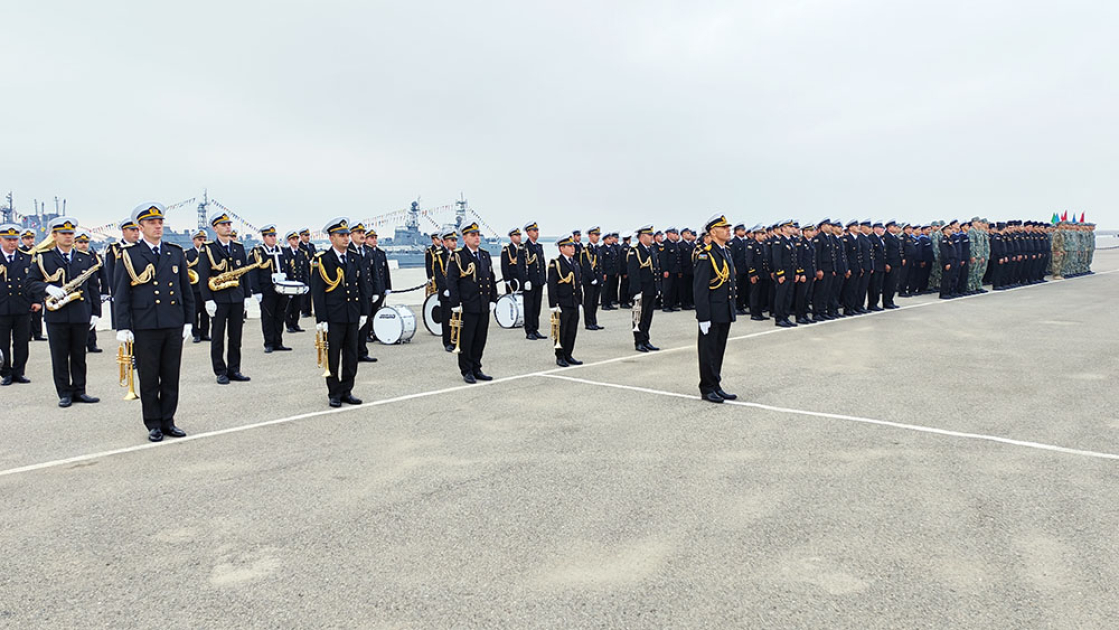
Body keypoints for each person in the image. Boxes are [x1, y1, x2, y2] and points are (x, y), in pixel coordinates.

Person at [112, 203, 194, 442]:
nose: (158, 226)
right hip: (145, 323)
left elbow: (185, 290)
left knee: (171, 375)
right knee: (149, 377)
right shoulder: (129, 254)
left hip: (172, 322)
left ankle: (169, 421)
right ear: (141, 227)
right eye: (152, 223)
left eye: (160, 222)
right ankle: (153, 424)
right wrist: (123, 326)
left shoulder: (175, 252)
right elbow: (122, 293)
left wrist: (188, 320)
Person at [26, 216, 102, 407]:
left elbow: (93, 287)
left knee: (79, 355)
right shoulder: (44, 257)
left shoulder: (84, 258)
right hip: (56, 314)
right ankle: (64, 393)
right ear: (55, 235)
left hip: (80, 313)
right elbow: (30, 283)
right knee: (59, 356)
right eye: (64, 234)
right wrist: (47, 288)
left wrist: (95, 312)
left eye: (71, 233)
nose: (68, 237)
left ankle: (80, 390)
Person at [310, 217, 370, 407]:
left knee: (351, 356)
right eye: (341, 235)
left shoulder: (354, 258)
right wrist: (321, 319)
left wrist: (364, 313)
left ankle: (347, 390)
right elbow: (318, 293)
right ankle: (334, 393)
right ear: (331, 238)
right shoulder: (322, 260)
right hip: (333, 317)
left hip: (352, 315)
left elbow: (363, 287)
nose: (346, 238)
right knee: (333, 357)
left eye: (346, 235)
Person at [196, 211, 252, 385]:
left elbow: (245, 274)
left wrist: (247, 295)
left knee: (236, 337)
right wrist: (208, 299)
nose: (228, 227)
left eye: (229, 224)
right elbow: (203, 275)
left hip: (236, 298)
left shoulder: (239, 248)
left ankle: (234, 369)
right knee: (218, 337)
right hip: (218, 299)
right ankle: (220, 371)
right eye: (223, 224)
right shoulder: (208, 248)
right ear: (215, 228)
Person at [694, 214, 737, 403]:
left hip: (724, 310)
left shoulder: (725, 251)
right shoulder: (706, 254)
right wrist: (703, 317)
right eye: (724, 227)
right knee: (708, 351)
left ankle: (716, 384)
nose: (728, 230)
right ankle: (707, 387)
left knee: (718, 350)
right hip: (711, 312)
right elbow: (700, 288)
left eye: (729, 227)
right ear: (713, 232)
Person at [447, 222, 497, 383]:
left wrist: (493, 299)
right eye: (472, 235)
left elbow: (491, 278)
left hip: (483, 304)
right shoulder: (458, 256)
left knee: (480, 338)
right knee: (466, 339)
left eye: (478, 235)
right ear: (465, 238)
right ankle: (466, 370)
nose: (477, 238)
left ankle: (477, 367)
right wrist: (455, 303)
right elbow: (452, 281)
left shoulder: (484, 255)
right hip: (467, 305)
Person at [250, 224, 296, 353]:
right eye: (270, 236)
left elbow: (289, 270)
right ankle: (269, 343)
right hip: (267, 290)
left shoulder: (283, 251)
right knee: (268, 317)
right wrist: (257, 291)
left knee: (279, 316)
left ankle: (278, 342)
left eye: (274, 235)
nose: (273, 238)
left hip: (282, 289)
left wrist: (291, 287)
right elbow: (253, 273)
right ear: (264, 237)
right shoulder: (258, 252)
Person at [0, 223, 33, 385]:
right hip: (2, 306)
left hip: (22, 305)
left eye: (14, 239)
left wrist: (36, 301)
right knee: (2, 342)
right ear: (1, 240)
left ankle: (19, 371)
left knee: (21, 341)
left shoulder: (26, 258)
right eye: (8, 239)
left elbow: (33, 281)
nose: (12, 243)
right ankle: (5, 372)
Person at [548, 233, 583, 367]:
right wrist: (554, 305)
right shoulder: (556, 263)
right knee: (560, 331)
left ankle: (568, 354)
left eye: (573, 246)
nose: (572, 248)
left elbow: (578, 285)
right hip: (562, 303)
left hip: (573, 302)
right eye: (569, 246)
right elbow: (552, 285)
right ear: (561, 248)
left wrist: (580, 302)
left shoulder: (575, 263)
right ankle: (560, 355)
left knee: (571, 330)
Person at [349, 223, 382, 362]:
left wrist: (376, 291)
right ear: (351, 235)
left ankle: (362, 351)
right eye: (358, 232)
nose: (362, 235)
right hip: (353, 294)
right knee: (353, 326)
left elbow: (373, 272)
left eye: (363, 232)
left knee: (365, 322)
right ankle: (351, 354)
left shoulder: (367, 251)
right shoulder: (348, 251)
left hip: (367, 293)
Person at [627, 225, 661, 352]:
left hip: (651, 289)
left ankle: (646, 339)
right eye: (649, 235)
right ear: (642, 237)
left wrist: (657, 288)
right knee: (638, 317)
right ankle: (638, 341)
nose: (652, 237)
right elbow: (633, 273)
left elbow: (656, 270)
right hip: (640, 290)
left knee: (648, 316)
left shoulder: (651, 249)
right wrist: (636, 292)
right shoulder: (634, 251)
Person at [73, 231, 107, 353]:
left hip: (91, 291)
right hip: (77, 292)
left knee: (92, 318)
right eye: (80, 242)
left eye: (85, 242)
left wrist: (104, 292)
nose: (83, 245)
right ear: (75, 243)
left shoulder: (95, 257)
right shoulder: (73, 257)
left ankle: (92, 344)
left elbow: (103, 275)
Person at [519, 221, 546, 340]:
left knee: (537, 306)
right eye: (534, 231)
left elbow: (542, 264)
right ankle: (529, 330)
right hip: (529, 282)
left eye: (537, 230)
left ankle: (535, 328)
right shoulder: (523, 247)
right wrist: (525, 281)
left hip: (538, 281)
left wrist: (544, 278)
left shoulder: (539, 246)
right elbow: (520, 266)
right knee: (529, 307)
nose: (537, 232)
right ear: (528, 232)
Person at [19, 229, 46, 342]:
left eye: (31, 238)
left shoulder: (38, 252)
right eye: (26, 238)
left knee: (38, 311)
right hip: (25, 284)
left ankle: (38, 333)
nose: (29, 240)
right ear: (22, 239)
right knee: (26, 311)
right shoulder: (20, 252)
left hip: (36, 283)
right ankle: (27, 333)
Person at [184, 229, 210, 342]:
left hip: (206, 287)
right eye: (200, 239)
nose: (202, 242)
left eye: (204, 239)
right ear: (194, 240)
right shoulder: (188, 254)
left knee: (206, 312)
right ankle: (196, 334)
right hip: (193, 288)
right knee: (194, 312)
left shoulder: (209, 253)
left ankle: (205, 333)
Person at [435, 229, 458, 352]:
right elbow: (438, 274)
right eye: (451, 240)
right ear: (444, 242)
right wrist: (445, 288)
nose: (454, 243)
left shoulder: (458, 254)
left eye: (455, 240)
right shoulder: (439, 255)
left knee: (458, 318)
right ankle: (447, 342)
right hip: (446, 292)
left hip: (457, 292)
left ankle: (458, 340)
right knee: (447, 318)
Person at [284, 230, 308, 333]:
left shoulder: (301, 253)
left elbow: (305, 270)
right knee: (289, 306)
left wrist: (306, 284)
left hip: (299, 283)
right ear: (289, 241)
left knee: (297, 306)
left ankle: (295, 323)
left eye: (297, 239)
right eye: (293, 239)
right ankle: (289, 325)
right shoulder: (285, 253)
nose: (296, 241)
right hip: (290, 284)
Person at [580, 226, 604, 331]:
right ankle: (588, 322)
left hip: (597, 279)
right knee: (588, 302)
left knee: (595, 302)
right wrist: (592, 278)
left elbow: (600, 264)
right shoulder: (586, 249)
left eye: (598, 235)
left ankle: (594, 321)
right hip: (589, 280)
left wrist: (600, 278)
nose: (597, 237)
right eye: (595, 235)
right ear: (590, 236)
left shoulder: (598, 248)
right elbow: (585, 265)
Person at [298, 228, 316, 318]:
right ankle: (305, 310)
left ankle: (314, 309)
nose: (308, 237)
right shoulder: (299, 246)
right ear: (301, 236)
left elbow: (315, 256)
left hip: (313, 270)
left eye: (308, 235)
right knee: (305, 293)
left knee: (315, 291)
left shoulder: (312, 246)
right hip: (304, 271)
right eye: (306, 235)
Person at [500, 227, 523, 294]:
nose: (519, 237)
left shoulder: (523, 248)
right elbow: (504, 266)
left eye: (519, 235)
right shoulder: (507, 250)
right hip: (513, 280)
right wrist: (507, 280)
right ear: (511, 237)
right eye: (516, 235)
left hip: (522, 280)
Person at [600, 231, 620, 310]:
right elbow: (601, 262)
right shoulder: (602, 249)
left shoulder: (612, 248)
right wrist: (603, 273)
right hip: (606, 272)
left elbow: (615, 260)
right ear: (604, 240)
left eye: (611, 238)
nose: (611, 240)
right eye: (609, 238)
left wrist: (616, 271)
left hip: (612, 272)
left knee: (611, 288)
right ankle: (604, 304)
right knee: (605, 289)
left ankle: (609, 303)